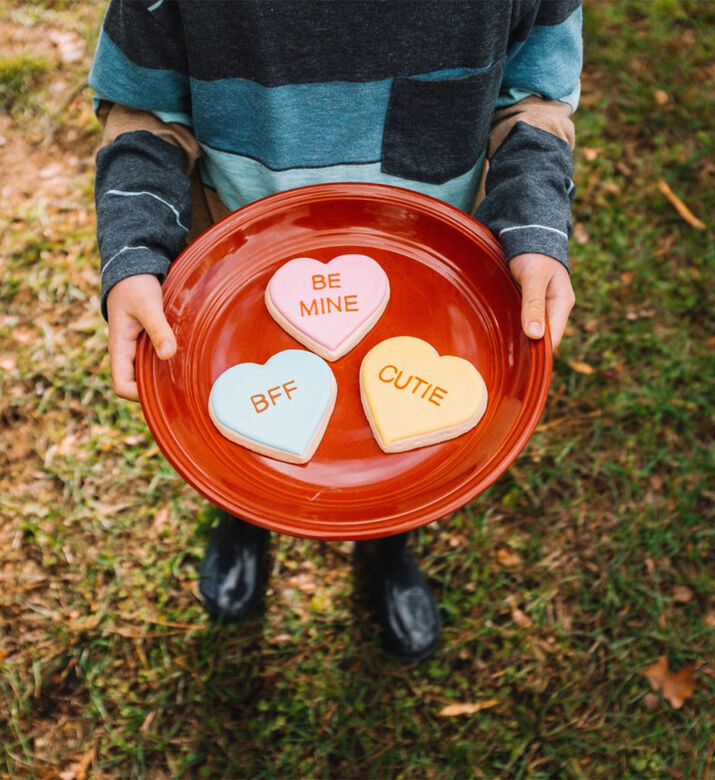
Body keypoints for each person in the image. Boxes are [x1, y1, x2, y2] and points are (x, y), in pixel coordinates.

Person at [89, 0, 581, 663]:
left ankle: (387, 545)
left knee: (398, 445)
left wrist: (533, 218)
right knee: (242, 420)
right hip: (232, 268)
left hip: (428, 275)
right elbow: (143, 111)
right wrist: (136, 249)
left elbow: (534, 97)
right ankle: (241, 518)